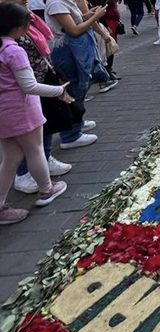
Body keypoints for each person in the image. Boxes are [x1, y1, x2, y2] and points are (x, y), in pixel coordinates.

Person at [0, 3, 71, 224]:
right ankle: (46, 189)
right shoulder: (14, 50)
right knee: (35, 150)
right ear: (18, 27)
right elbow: (29, 85)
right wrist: (59, 90)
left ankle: (1, 204)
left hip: (3, 110)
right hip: (21, 108)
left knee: (10, 159)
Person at [46, 0, 106, 149]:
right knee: (73, 87)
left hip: (75, 48)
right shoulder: (56, 3)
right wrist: (95, 16)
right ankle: (70, 135)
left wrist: (89, 15)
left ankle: (77, 124)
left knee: (80, 86)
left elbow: (76, 20)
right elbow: (73, 30)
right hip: (66, 51)